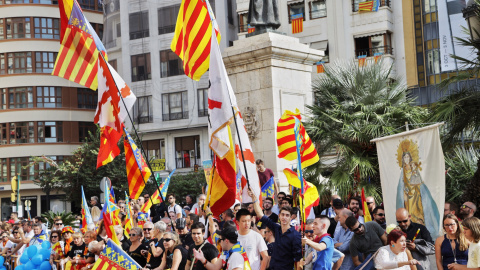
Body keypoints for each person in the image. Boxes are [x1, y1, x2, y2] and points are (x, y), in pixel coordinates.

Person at [248, 188, 302, 270]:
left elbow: (298, 259)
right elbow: (260, 214)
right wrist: (254, 199)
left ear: (291, 218)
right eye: (282, 214)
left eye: (287, 215)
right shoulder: (276, 228)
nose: (284, 217)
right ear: (279, 216)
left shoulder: (295, 235)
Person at [396, 142, 439, 236]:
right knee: (408, 210)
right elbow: (401, 185)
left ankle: (420, 226)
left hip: (416, 194)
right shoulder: (402, 170)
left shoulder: (414, 167)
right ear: (402, 159)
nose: (406, 159)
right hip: (407, 195)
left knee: (418, 212)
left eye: (408, 157)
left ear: (410, 158)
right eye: (404, 157)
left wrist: (415, 172)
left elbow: (418, 182)